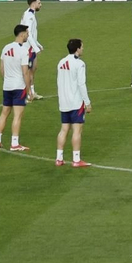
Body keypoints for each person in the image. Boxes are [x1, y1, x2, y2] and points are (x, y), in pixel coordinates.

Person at [0, 23, 33, 152]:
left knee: (4, 113)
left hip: (7, 85)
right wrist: (28, 89)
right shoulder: (23, 50)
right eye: (26, 33)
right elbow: (25, 72)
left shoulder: (6, 47)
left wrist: (7, 80)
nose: (28, 35)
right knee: (17, 115)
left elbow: (1, 68)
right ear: (21, 34)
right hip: (18, 86)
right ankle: (14, 143)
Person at [55, 38, 92, 168]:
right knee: (77, 130)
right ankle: (76, 160)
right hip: (76, 102)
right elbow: (81, 84)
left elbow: (59, 82)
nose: (83, 49)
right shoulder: (79, 64)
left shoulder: (61, 62)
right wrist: (87, 102)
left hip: (63, 101)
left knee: (64, 129)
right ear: (77, 49)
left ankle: (59, 158)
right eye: (82, 47)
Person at [21, 0, 44, 100]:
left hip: (31, 46)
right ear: (33, 4)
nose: (40, 5)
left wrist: (37, 43)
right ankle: (26, 94)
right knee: (27, 71)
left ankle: (32, 92)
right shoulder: (29, 15)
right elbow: (28, 33)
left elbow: (32, 34)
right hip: (27, 48)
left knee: (33, 69)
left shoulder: (30, 14)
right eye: (39, 3)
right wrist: (36, 47)